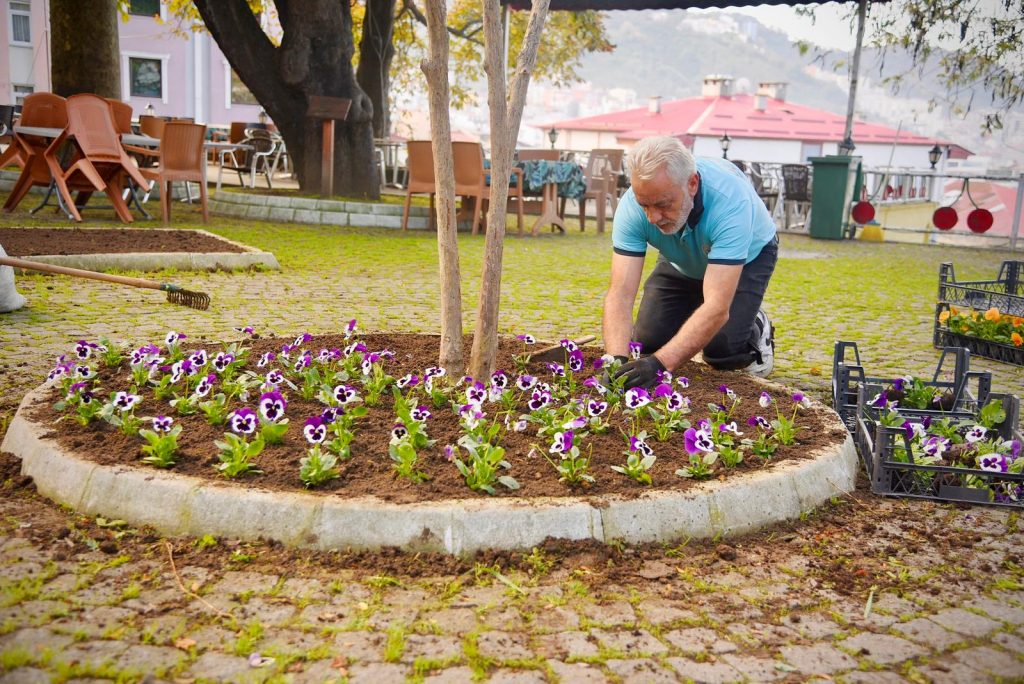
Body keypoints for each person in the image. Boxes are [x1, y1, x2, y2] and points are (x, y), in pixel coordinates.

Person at [603, 136, 778, 389]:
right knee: (648, 342)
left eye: (662, 204)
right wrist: (616, 360)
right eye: (645, 206)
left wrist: (659, 365)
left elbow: (717, 307)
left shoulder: (730, 203)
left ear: (692, 184)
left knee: (722, 350)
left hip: (749, 256)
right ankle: (696, 315)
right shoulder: (632, 207)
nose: (652, 218)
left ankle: (756, 325)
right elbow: (620, 293)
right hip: (682, 257)